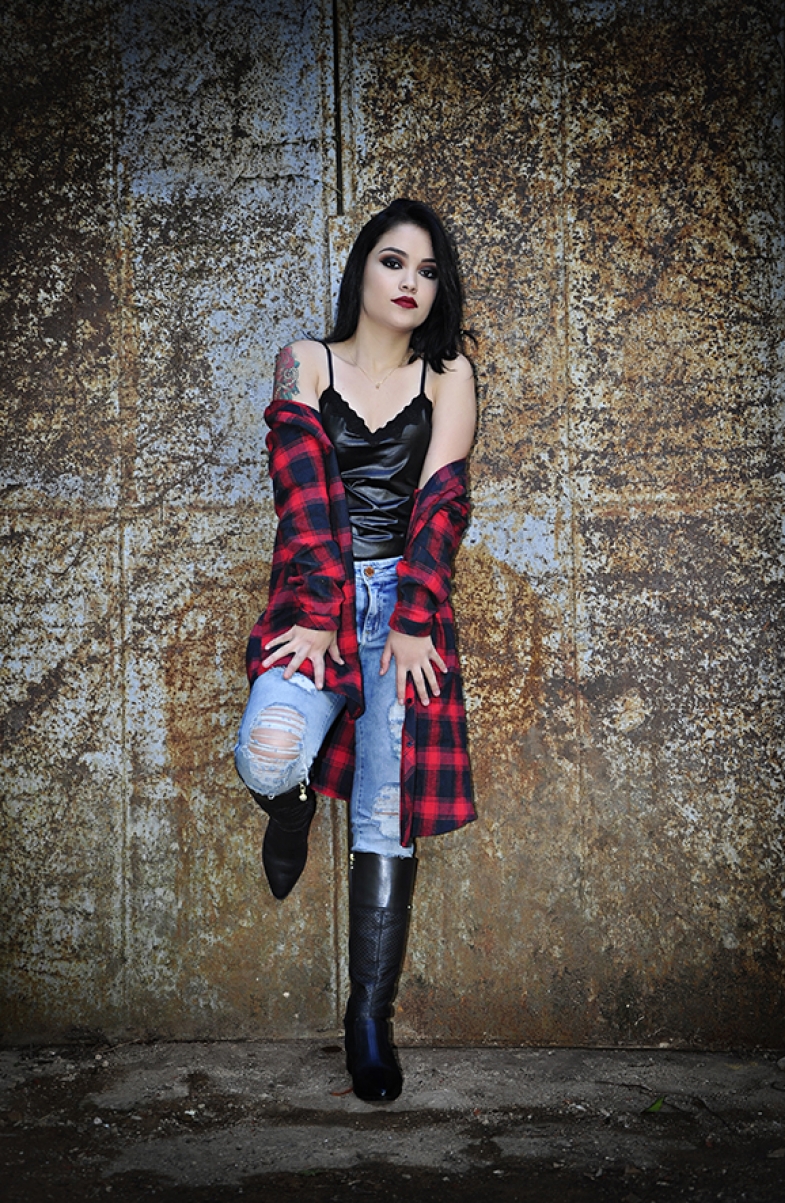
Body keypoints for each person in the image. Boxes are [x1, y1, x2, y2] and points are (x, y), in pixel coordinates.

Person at [234, 198, 477, 1103]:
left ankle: (369, 1022)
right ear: (362, 270)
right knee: (269, 751)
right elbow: (298, 489)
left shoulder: (449, 374)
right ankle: (289, 806)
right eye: (393, 261)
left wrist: (412, 618)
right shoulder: (304, 360)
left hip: (402, 616)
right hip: (317, 604)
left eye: (428, 270)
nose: (411, 281)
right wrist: (320, 607)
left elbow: (443, 501)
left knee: (384, 814)